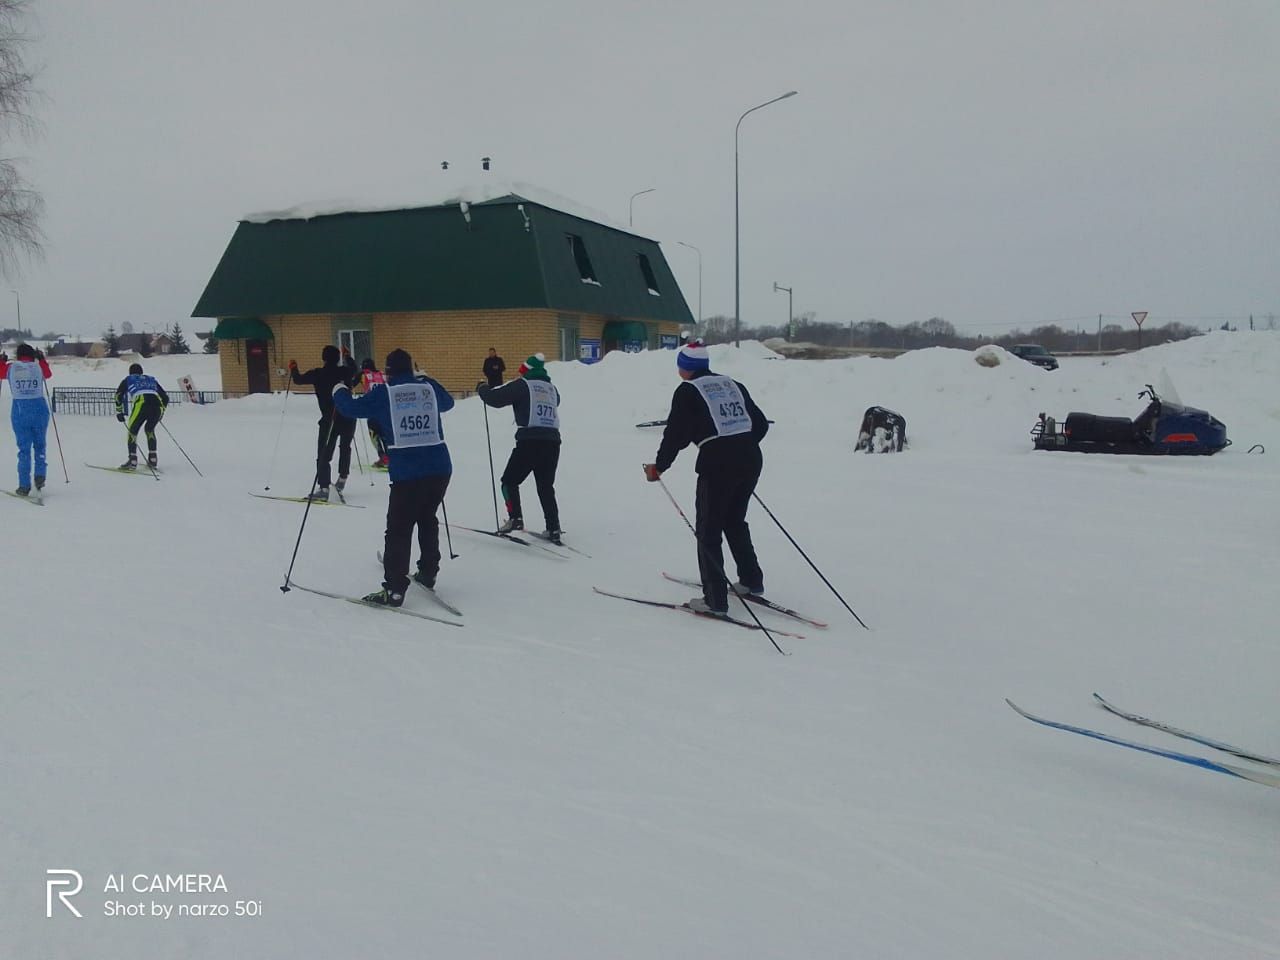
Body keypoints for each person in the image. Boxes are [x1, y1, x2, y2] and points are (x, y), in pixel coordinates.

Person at [643, 340, 769, 616]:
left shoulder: (687, 391)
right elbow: (759, 424)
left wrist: (660, 466)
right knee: (735, 521)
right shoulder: (732, 383)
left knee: (709, 530)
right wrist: (742, 446)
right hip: (750, 458)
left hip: (718, 465)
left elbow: (676, 434)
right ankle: (751, 580)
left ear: (685, 368)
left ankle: (715, 600)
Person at [333, 348, 454, 607]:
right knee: (427, 518)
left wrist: (339, 391)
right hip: (439, 468)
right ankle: (429, 572)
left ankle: (395, 589)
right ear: (411, 369)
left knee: (399, 529)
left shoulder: (385, 393)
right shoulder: (427, 388)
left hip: (408, 472)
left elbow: (351, 409)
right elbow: (449, 402)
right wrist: (427, 379)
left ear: (388, 372)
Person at [477, 353, 562, 543]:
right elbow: (557, 401)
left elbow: (496, 399)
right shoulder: (552, 389)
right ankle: (553, 527)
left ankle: (515, 518)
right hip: (553, 442)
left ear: (527, 371)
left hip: (530, 441)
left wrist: (482, 388)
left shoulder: (523, 385)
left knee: (509, 481)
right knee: (545, 486)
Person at [289, 345, 358, 501]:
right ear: (338, 358)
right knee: (345, 447)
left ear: (323, 358)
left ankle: (324, 488)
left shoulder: (317, 374)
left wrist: (293, 367)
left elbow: (298, 379)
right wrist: (348, 357)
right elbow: (354, 367)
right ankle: (342, 480)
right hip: (348, 416)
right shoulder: (345, 371)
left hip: (330, 419)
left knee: (324, 454)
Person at [0, 344, 52, 496]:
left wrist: (2, 361)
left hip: (21, 411)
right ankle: (40, 475)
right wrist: (42, 359)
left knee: (24, 449)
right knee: (40, 445)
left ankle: (24, 485)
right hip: (40, 409)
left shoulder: (11, 368)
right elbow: (48, 374)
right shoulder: (38, 367)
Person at [114, 362, 171, 469]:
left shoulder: (129, 379)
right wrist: (162, 411)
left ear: (130, 372)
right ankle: (153, 459)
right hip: (157, 405)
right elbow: (165, 397)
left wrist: (119, 411)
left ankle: (132, 460)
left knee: (132, 431)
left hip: (142, 404)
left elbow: (118, 395)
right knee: (150, 430)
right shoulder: (151, 379)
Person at [359, 358, 389, 468]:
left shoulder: (365, 375)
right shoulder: (383, 375)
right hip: (385, 410)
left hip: (372, 411)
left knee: (374, 436)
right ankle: (391, 457)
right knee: (385, 434)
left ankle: (384, 458)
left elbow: (353, 382)